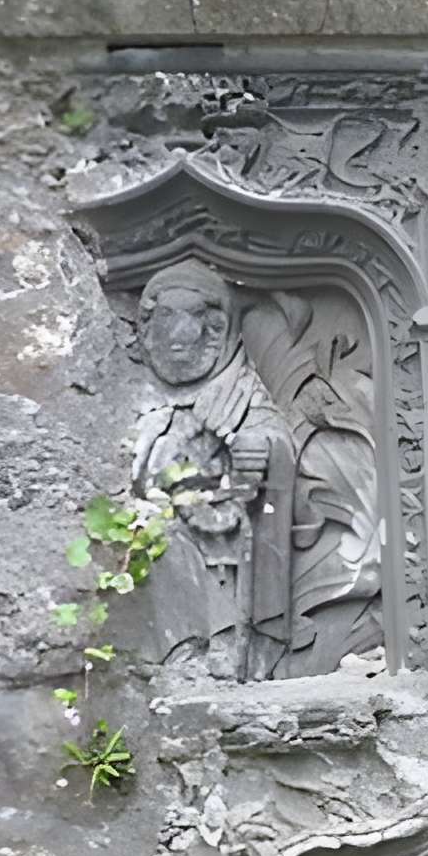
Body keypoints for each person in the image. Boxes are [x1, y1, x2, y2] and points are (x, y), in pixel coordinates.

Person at [126, 256, 297, 681]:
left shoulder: (238, 388)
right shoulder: (134, 385)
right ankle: (179, 655)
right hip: (158, 512)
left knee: (184, 540)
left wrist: (260, 450)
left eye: (190, 320)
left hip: (220, 511)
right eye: (165, 319)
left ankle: (220, 649)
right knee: (158, 540)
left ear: (215, 330)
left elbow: (271, 435)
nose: (178, 336)